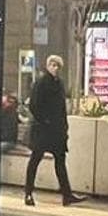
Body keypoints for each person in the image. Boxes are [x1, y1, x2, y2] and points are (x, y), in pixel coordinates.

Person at [25, 55, 82, 207]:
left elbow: (61, 108)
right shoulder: (41, 82)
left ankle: (67, 195)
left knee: (60, 161)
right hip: (43, 129)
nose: (55, 68)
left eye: (58, 65)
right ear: (48, 65)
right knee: (35, 160)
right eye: (53, 64)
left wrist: (64, 127)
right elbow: (34, 105)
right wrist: (45, 120)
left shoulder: (59, 84)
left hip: (57, 130)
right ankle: (28, 193)